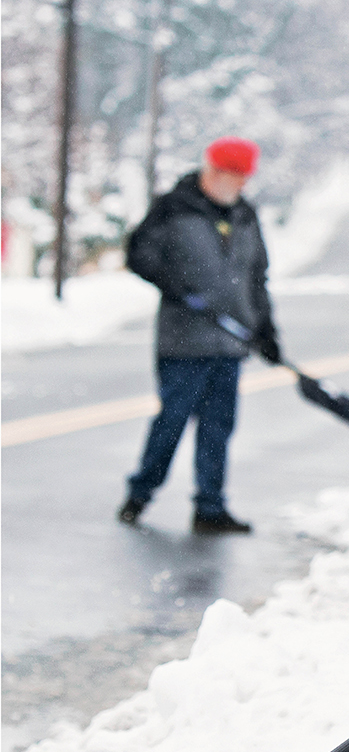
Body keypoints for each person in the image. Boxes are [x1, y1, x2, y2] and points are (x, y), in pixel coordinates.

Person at [117, 137, 283, 534]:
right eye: (230, 175)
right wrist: (176, 285)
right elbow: (139, 254)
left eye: (242, 178)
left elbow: (256, 277)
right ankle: (140, 494)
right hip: (184, 339)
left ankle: (210, 507)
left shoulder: (244, 216)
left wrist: (266, 329)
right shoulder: (173, 208)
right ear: (212, 170)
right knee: (172, 420)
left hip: (231, 341)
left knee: (218, 426)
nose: (236, 185)